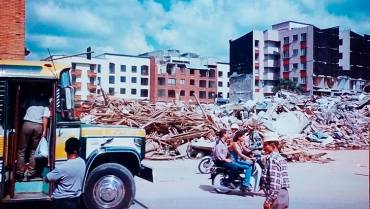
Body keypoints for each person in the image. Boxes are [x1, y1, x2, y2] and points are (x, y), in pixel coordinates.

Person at [46, 137, 86, 209]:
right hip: (76, 201)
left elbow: (47, 178)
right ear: (78, 150)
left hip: (60, 202)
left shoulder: (61, 168)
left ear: (65, 149)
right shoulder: (83, 163)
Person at [17, 94, 50, 179]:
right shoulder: (45, 102)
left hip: (27, 124)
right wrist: (44, 131)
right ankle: (31, 172)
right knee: (34, 151)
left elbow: (21, 107)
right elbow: (45, 117)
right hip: (38, 126)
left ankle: (20, 171)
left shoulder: (29, 97)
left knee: (21, 150)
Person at [262, 133, 290, 209]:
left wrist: (269, 201)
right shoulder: (280, 157)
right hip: (282, 194)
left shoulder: (272, 159)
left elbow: (275, 184)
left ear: (273, 145)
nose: (263, 148)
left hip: (276, 196)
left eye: (265, 145)